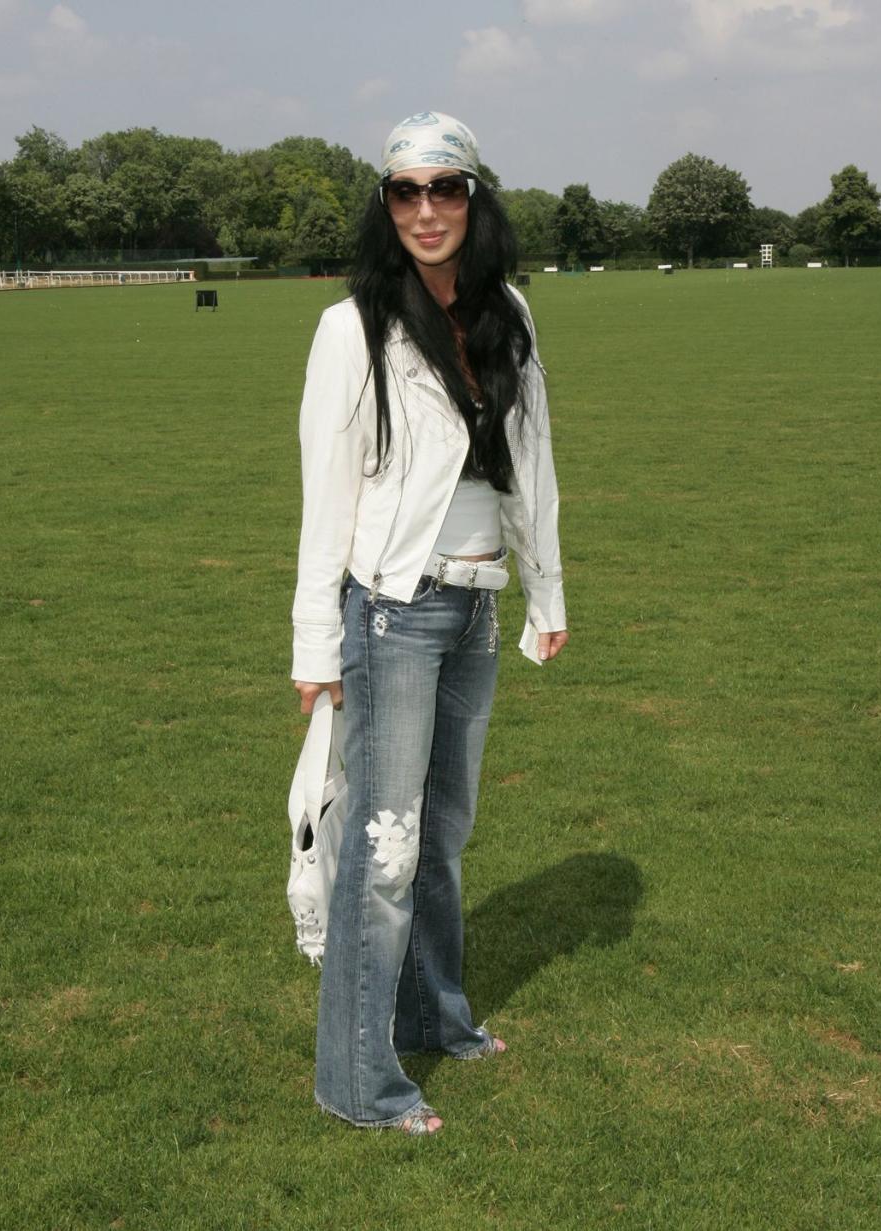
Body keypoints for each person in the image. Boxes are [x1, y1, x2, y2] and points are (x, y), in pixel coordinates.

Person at [291, 111, 568, 1136]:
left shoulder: (512, 315)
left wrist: (550, 591)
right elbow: (326, 499)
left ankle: (438, 1017)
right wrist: (315, 648)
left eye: (444, 188)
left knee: (443, 836)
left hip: (477, 606)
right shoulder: (351, 327)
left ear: (474, 198)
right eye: (404, 192)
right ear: (385, 205)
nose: (425, 210)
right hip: (394, 612)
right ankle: (357, 1081)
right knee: (384, 845)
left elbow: (529, 466)